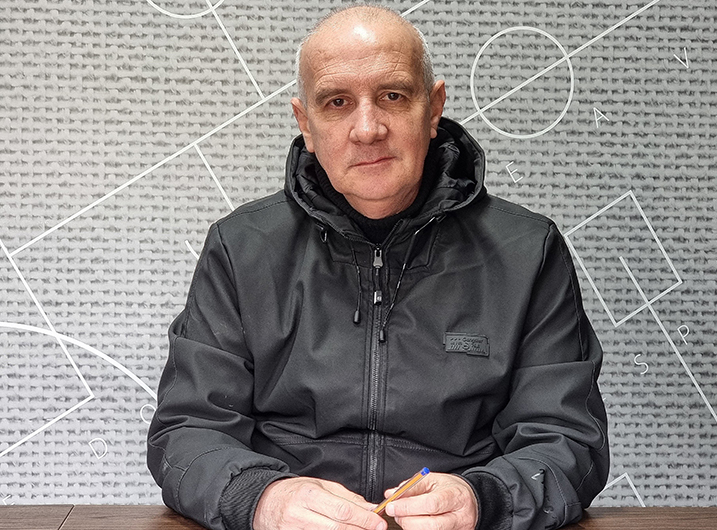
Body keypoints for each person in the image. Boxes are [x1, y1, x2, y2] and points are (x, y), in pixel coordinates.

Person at [147, 4, 609, 530]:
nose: (367, 129)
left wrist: (483, 500)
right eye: (337, 102)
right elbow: (187, 432)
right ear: (306, 123)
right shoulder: (239, 248)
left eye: (392, 96)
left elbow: (568, 439)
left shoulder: (528, 251)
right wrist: (262, 499)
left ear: (433, 108)